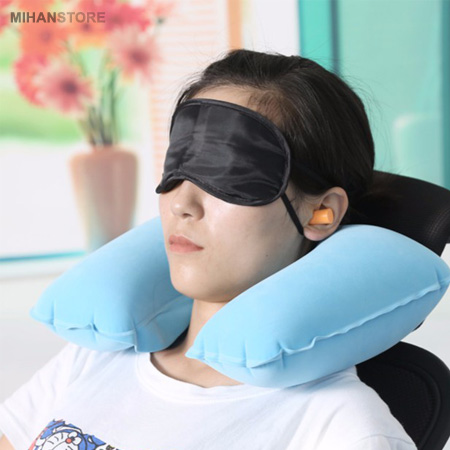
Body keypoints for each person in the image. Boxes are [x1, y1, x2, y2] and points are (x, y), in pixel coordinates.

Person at [0, 49, 416, 449]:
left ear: (321, 213)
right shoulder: (94, 359)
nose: (181, 204)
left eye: (228, 174)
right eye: (178, 168)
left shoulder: (341, 427)